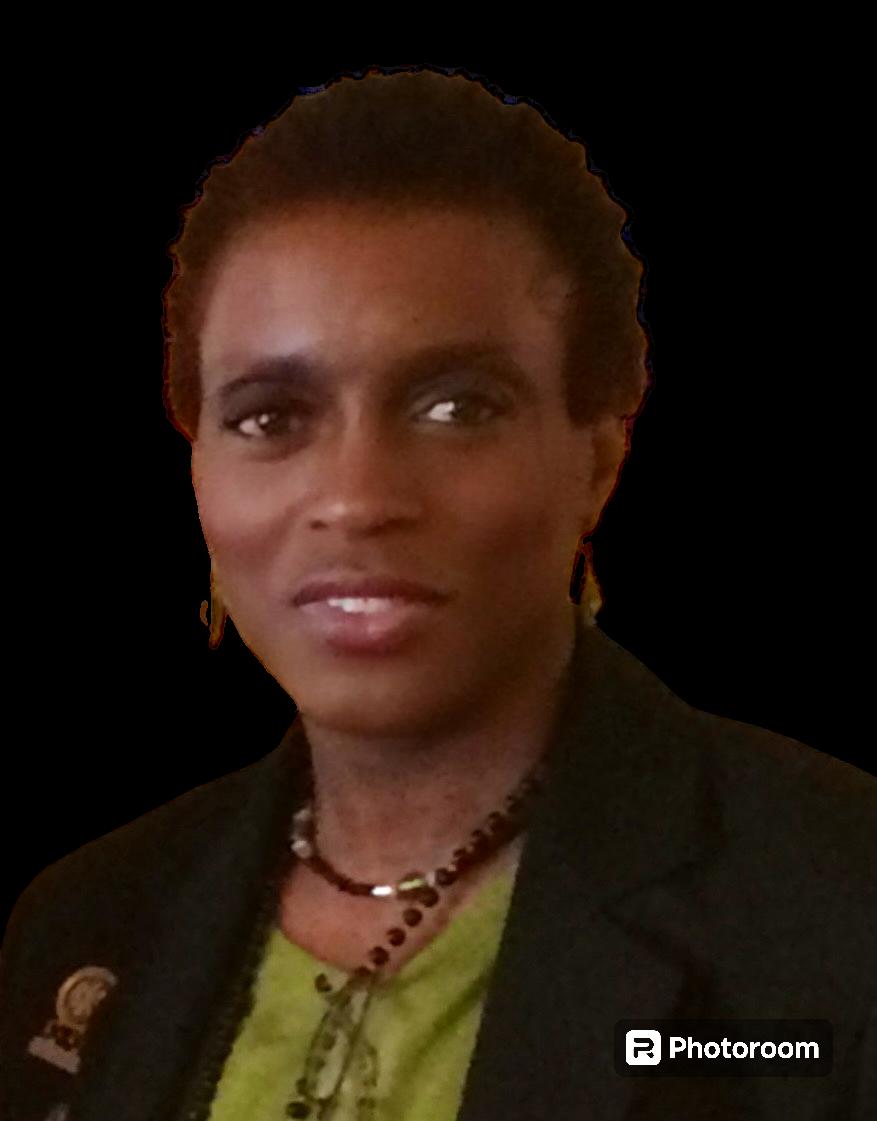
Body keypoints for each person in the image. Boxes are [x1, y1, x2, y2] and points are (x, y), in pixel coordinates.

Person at [1, 65, 874, 1121]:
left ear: (598, 460)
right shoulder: (89, 921)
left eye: (458, 406)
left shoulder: (840, 909)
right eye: (271, 417)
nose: (356, 498)